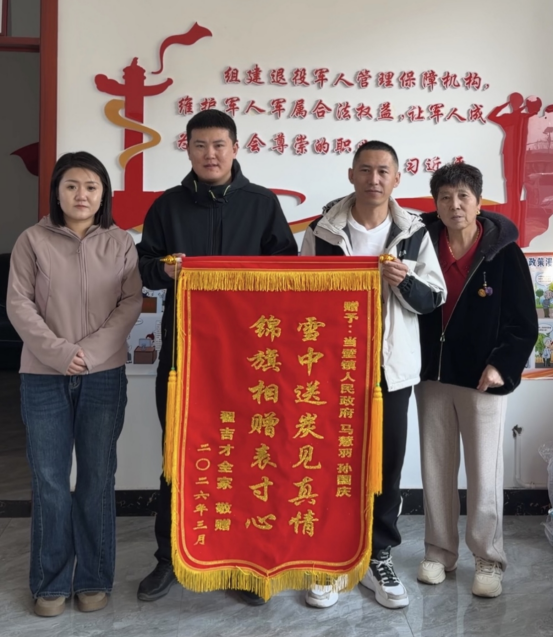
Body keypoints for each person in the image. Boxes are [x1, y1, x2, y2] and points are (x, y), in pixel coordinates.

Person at [136, 109, 298, 605]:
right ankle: (169, 557)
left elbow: (288, 269)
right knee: (177, 453)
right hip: (184, 353)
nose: (210, 154)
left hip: (251, 356)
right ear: (187, 148)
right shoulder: (167, 205)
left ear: (235, 148)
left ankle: (241, 560)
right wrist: (166, 270)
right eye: (200, 145)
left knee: (246, 455)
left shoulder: (262, 203)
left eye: (219, 145)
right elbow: (144, 266)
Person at [300, 140, 446, 609]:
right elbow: (299, 293)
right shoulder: (322, 230)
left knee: (386, 463)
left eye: (383, 171)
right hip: (332, 367)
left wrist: (405, 282)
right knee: (328, 459)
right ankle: (329, 556)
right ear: (351, 175)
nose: (374, 179)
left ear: (397, 178)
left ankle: (377, 556)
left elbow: (434, 297)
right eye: (365, 169)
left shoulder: (414, 232)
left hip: (391, 369)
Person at [7, 151, 143, 617]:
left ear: (103, 194)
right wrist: (61, 354)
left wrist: (90, 354)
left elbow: (130, 303)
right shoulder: (32, 240)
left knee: (96, 479)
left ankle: (93, 578)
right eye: (71, 186)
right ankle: (49, 583)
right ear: (57, 192)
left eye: (90, 186)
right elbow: (19, 304)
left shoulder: (120, 242)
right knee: (48, 480)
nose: (81, 195)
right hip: (43, 376)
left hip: (103, 378)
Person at [415, 162, 538, 598]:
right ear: (436, 204)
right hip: (431, 375)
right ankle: (439, 552)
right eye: (445, 197)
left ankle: (488, 558)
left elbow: (524, 323)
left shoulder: (503, 253)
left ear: (478, 201)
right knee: (436, 469)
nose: (455, 205)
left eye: (463, 196)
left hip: (483, 379)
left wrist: (501, 364)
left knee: (485, 473)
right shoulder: (420, 246)